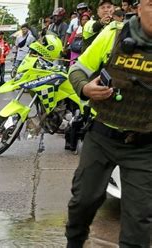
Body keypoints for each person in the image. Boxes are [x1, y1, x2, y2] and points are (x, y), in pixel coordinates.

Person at [65, 1, 152, 246]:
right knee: (83, 201)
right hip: (101, 136)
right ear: (140, 7)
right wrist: (85, 88)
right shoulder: (113, 34)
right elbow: (77, 69)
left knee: (139, 221)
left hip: (144, 147)